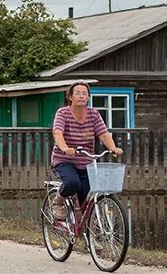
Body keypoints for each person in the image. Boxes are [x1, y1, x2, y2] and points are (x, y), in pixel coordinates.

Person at [50, 82, 123, 220]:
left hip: (85, 162)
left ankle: (89, 234)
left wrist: (113, 148)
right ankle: (57, 202)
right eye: (77, 93)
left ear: (88, 97)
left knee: (88, 197)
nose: (81, 96)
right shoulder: (63, 113)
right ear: (70, 97)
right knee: (72, 183)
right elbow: (57, 133)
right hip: (64, 160)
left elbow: (104, 134)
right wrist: (65, 148)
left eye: (85, 93)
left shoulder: (94, 114)